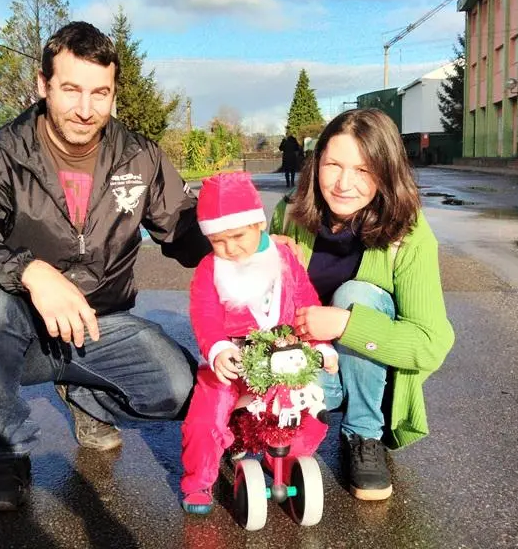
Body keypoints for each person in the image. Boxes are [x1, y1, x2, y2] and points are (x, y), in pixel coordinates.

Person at [0, 21, 211, 512]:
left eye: (100, 93)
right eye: (71, 89)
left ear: (114, 93)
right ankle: (5, 452)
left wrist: (237, 236)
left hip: (104, 326)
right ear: (43, 85)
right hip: (24, 328)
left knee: (181, 391)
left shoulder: (139, 157)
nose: (85, 109)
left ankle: (85, 397)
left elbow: (183, 231)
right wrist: (29, 272)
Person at [269, 108, 454, 501]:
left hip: (373, 370)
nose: (343, 183)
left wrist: (345, 326)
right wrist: (264, 259)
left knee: (358, 295)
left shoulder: (410, 233)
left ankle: (363, 433)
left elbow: (431, 344)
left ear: (386, 172)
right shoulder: (288, 213)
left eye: (364, 170)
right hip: (307, 357)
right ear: (316, 162)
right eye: (333, 164)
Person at [180, 172, 339, 514]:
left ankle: (284, 458)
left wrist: (321, 344)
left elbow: (305, 301)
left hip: (285, 357)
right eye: (218, 240)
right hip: (234, 359)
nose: (230, 248)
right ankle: (199, 481)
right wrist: (218, 348)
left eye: (237, 236)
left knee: (305, 411)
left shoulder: (283, 259)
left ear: (258, 225)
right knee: (206, 416)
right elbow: (204, 312)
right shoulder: (210, 268)